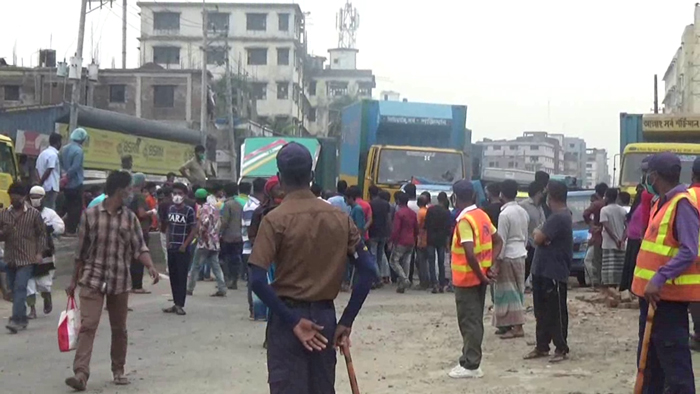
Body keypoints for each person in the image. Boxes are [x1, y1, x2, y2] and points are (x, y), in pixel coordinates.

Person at [248, 142, 374, 394]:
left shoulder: (274, 219)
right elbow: (368, 270)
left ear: (280, 179)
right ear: (312, 176)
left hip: (287, 320)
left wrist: (293, 321)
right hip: (325, 320)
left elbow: (257, 279)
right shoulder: (340, 218)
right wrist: (346, 320)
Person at [64, 171, 159, 390]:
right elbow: (80, 252)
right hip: (92, 278)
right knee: (88, 325)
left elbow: (139, 247)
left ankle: (118, 369)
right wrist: (72, 281)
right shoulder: (90, 215)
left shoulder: (130, 218)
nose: (131, 192)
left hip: (119, 280)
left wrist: (150, 266)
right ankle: (81, 373)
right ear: (119, 189)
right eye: (129, 188)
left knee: (119, 328)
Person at [632, 152, 700, 393]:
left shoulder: (681, 204)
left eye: (648, 173)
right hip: (652, 299)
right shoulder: (661, 203)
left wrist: (659, 277)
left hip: (667, 301)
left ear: (655, 176)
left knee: (676, 369)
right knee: (650, 368)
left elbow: (689, 250)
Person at [448, 180, 503, 379]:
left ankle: (471, 364)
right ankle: (469, 359)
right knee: (474, 320)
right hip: (478, 279)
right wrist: (489, 267)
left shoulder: (465, 221)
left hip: (467, 280)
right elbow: (498, 241)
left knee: (469, 321)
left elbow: (470, 253)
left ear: (455, 197)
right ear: (472, 195)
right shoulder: (481, 216)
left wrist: (481, 273)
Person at [524, 180, 572, 363]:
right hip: (542, 270)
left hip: (554, 272)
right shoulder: (554, 216)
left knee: (556, 312)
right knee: (541, 311)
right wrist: (540, 235)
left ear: (551, 196)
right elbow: (539, 236)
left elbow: (538, 237)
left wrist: (540, 235)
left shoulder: (560, 217)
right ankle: (542, 346)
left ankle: (561, 347)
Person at [3, 183, 46, 334]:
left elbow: (41, 234)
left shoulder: (34, 214)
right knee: (13, 290)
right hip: (10, 259)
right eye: (11, 197)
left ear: (23, 197)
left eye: (16, 197)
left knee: (20, 287)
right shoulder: (4, 214)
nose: (14, 200)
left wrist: (39, 253)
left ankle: (15, 320)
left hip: (27, 259)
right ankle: (22, 318)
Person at [492, 180, 529, 339]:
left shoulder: (504, 214)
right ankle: (506, 324)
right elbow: (526, 237)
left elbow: (502, 240)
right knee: (517, 290)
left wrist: (497, 262)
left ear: (501, 194)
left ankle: (518, 327)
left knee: (508, 293)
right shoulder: (523, 212)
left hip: (507, 256)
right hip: (520, 253)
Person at [26, 186, 64, 319]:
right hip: (27, 252)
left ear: (43, 198)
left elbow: (61, 226)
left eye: (38, 197)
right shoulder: (25, 212)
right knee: (28, 283)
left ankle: (46, 295)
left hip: (45, 252)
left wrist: (49, 228)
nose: (35, 200)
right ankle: (32, 309)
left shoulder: (49, 213)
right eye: (33, 197)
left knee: (43, 283)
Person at [162, 183, 196, 316]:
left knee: (182, 277)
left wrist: (185, 244)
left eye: (180, 193)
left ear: (185, 195)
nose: (177, 196)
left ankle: (180, 304)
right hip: (172, 247)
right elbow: (169, 226)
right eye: (174, 193)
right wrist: (168, 241)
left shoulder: (189, 211)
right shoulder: (171, 209)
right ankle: (176, 303)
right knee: (173, 277)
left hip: (183, 249)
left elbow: (193, 229)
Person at [187, 188, 227, 297]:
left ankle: (190, 288)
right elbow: (220, 222)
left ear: (197, 199)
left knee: (195, 265)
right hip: (214, 241)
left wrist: (199, 235)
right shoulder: (215, 207)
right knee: (216, 266)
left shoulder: (202, 209)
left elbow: (204, 223)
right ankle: (222, 288)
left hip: (205, 242)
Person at [129, 173, 157, 294]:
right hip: (140, 230)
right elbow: (141, 214)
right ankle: (137, 286)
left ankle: (131, 284)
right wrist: (152, 212)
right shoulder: (139, 197)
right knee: (139, 258)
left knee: (131, 259)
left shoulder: (129, 196)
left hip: (129, 230)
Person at [599, 187, 628, 302]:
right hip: (621, 244)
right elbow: (627, 227)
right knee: (619, 269)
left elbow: (606, 226)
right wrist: (622, 239)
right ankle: (618, 292)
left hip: (609, 243)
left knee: (608, 270)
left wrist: (615, 239)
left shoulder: (604, 210)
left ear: (607, 197)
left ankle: (609, 294)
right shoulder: (622, 210)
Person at [388, 192, 418, 293]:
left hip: (401, 240)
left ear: (398, 201)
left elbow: (396, 229)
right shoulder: (413, 213)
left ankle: (404, 279)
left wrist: (392, 241)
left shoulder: (399, 213)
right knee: (406, 262)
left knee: (394, 261)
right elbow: (416, 228)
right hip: (411, 240)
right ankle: (402, 286)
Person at [61, 127, 87, 235]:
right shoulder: (78, 151)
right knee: (76, 208)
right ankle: (71, 230)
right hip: (75, 183)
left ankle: (63, 227)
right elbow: (76, 167)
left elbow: (61, 164)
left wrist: (63, 177)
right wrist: (68, 176)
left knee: (66, 205)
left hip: (65, 184)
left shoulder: (64, 149)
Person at [520, 181, 546, 289]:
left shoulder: (540, 207)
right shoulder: (523, 205)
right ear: (538, 192)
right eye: (542, 192)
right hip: (528, 245)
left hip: (538, 244)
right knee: (525, 270)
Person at [425, 191, 452, 293]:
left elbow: (426, 225)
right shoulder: (446, 212)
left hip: (431, 239)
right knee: (441, 263)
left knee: (431, 262)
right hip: (441, 240)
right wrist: (447, 243)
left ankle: (434, 284)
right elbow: (448, 229)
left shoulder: (430, 210)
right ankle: (442, 284)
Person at [583, 182, 608, 288]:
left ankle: (596, 282)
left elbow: (585, 214)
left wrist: (591, 224)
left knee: (595, 260)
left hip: (598, 236)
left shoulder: (597, 204)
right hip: (606, 235)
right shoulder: (607, 203)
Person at [220, 182, 244, 290]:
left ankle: (227, 279)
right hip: (239, 236)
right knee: (235, 259)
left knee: (225, 259)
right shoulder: (240, 204)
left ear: (225, 192)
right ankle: (234, 280)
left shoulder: (227, 205)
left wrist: (219, 233)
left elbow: (224, 222)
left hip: (228, 237)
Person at [368, 185, 391, 285]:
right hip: (384, 233)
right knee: (380, 256)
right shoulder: (386, 204)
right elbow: (388, 220)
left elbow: (369, 219)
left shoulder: (371, 204)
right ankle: (380, 276)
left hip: (373, 233)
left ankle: (377, 278)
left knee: (373, 256)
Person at [35, 132, 62, 210]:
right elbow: (49, 169)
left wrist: (39, 182)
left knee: (42, 207)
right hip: (51, 187)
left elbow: (36, 169)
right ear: (57, 143)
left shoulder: (42, 153)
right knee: (50, 209)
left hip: (42, 186)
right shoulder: (53, 155)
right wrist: (41, 182)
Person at [415, 194, 431, 290]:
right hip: (428, 238)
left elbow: (418, 226)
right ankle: (426, 281)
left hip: (421, 239)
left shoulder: (420, 212)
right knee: (425, 261)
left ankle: (423, 282)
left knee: (421, 261)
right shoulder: (427, 211)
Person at [157, 186, 172, 272]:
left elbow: (160, 218)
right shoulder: (174, 203)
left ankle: (168, 267)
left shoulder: (162, 204)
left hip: (164, 228)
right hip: (173, 228)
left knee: (166, 249)